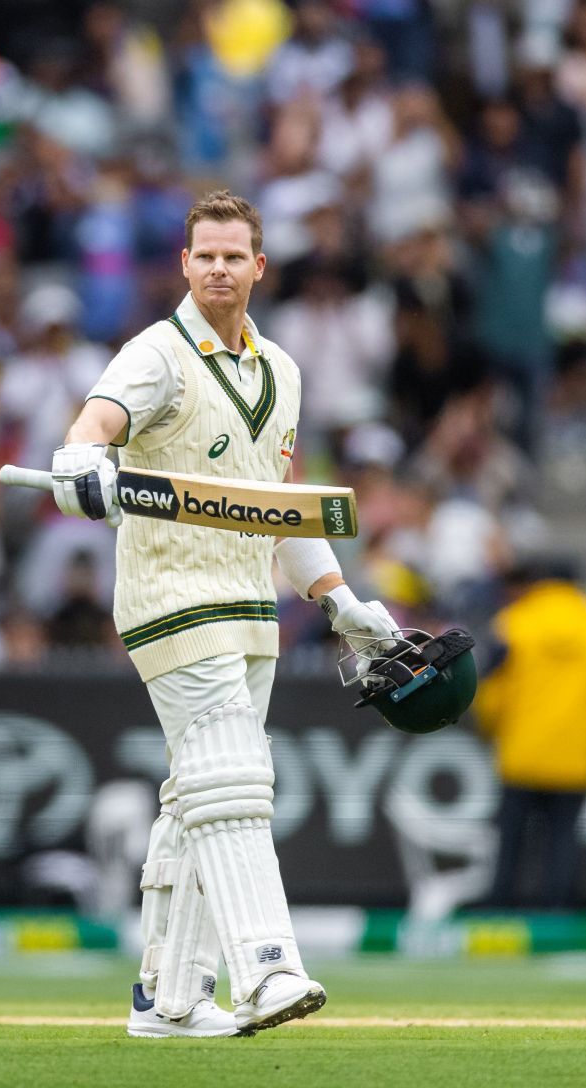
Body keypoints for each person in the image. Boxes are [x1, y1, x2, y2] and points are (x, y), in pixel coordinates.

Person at [51, 190, 401, 1037]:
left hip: (253, 610)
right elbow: (96, 422)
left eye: (232, 255)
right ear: (183, 263)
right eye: (203, 254)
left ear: (258, 266)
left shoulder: (281, 370)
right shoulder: (156, 354)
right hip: (172, 600)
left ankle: (167, 1003)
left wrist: (344, 604)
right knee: (235, 783)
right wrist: (81, 459)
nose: (217, 268)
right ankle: (268, 972)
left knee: (193, 801)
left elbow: (279, 509)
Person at [475, 559, 586, 908]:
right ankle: (556, 912)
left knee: (511, 838)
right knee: (564, 837)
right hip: (576, 755)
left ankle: (500, 908)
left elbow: (490, 691)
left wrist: (494, 729)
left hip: (521, 752)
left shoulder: (513, 623)